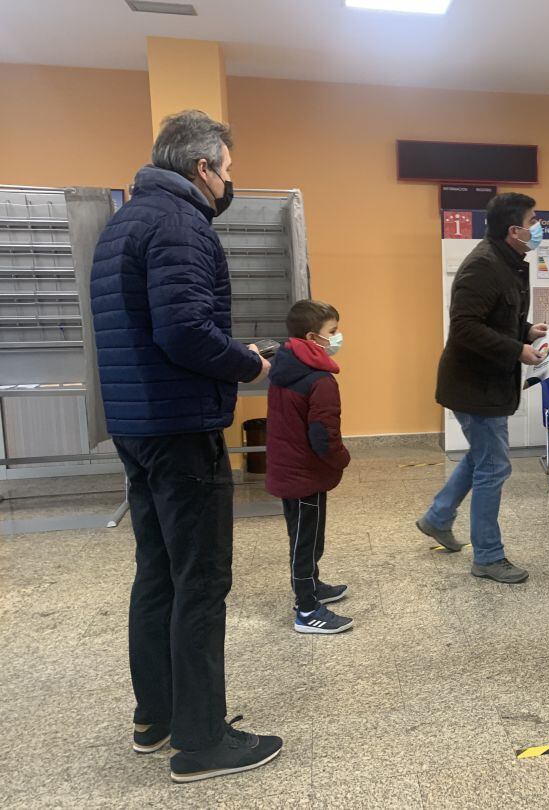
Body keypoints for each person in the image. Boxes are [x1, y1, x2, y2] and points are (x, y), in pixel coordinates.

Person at [90, 110, 282, 783]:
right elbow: (185, 332)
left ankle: (159, 716)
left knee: (159, 571)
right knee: (201, 581)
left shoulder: (124, 223)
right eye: (227, 170)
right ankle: (201, 743)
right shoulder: (180, 224)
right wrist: (249, 364)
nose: (229, 182)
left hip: (138, 427)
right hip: (179, 428)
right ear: (202, 168)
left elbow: (152, 328)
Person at [415, 193, 548, 584]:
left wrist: (526, 332)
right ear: (514, 230)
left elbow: (495, 317)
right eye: (534, 220)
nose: (538, 227)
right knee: (495, 465)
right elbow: (466, 328)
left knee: (482, 456)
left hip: (488, 381)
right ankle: (488, 557)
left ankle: (437, 518)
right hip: (474, 384)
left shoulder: (507, 262)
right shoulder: (484, 266)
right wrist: (518, 350)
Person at [266, 300, 353, 634]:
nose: (338, 337)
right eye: (333, 332)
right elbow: (323, 435)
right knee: (306, 541)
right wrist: (342, 459)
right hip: (305, 473)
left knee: (306, 535)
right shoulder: (319, 380)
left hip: (291, 468)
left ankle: (313, 585)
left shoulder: (284, 367)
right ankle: (306, 609)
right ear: (313, 337)